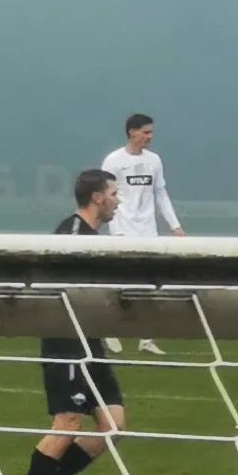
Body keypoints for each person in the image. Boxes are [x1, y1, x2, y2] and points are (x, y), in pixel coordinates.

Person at [8, 168, 125, 475]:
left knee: (113, 424)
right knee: (68, 422)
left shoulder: (94, 237)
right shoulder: (73, 233)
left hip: (89, 339)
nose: (118, 201)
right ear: (97, 198)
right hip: (66, 339)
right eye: (114, 194)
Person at [101, 113, 183, 355]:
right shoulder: (114, 160)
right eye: (146, 132)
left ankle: (146, 339)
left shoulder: (154, 160)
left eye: (151, 132)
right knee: (121, 283)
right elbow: (104, 194)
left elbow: (160, 193)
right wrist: (110, 224)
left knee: (151, 283)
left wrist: (175, 226)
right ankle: (109, 330)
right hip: (122, 228)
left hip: (148, 230)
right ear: (132, 132)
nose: (150, 137)